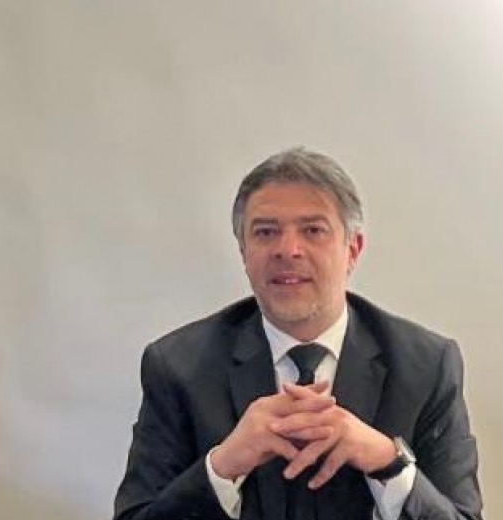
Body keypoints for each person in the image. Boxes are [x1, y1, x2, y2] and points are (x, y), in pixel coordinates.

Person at [113, 148, 483, 520]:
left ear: (353, 250)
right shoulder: (179, 367)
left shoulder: (426, 367)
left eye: (312, 230)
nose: (287, 250)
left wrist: (388, 463)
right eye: (266, 232)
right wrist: (222, 467)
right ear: (244, 253)